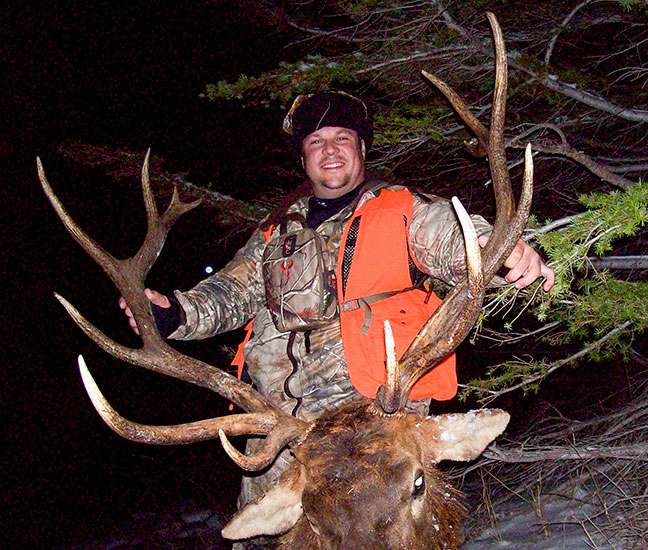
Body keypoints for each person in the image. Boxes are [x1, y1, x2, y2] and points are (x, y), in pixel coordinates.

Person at [121, 90, 555, 546]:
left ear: (362, 149)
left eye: (342, 138)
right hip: (282, 432)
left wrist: (494, 250)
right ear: (303, 159)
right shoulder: (275, 232)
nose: (329, 149)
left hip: (376, 424)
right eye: (315, 141)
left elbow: (451, 235)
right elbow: (232, 292)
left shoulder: (400, 209)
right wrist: (174, 312)